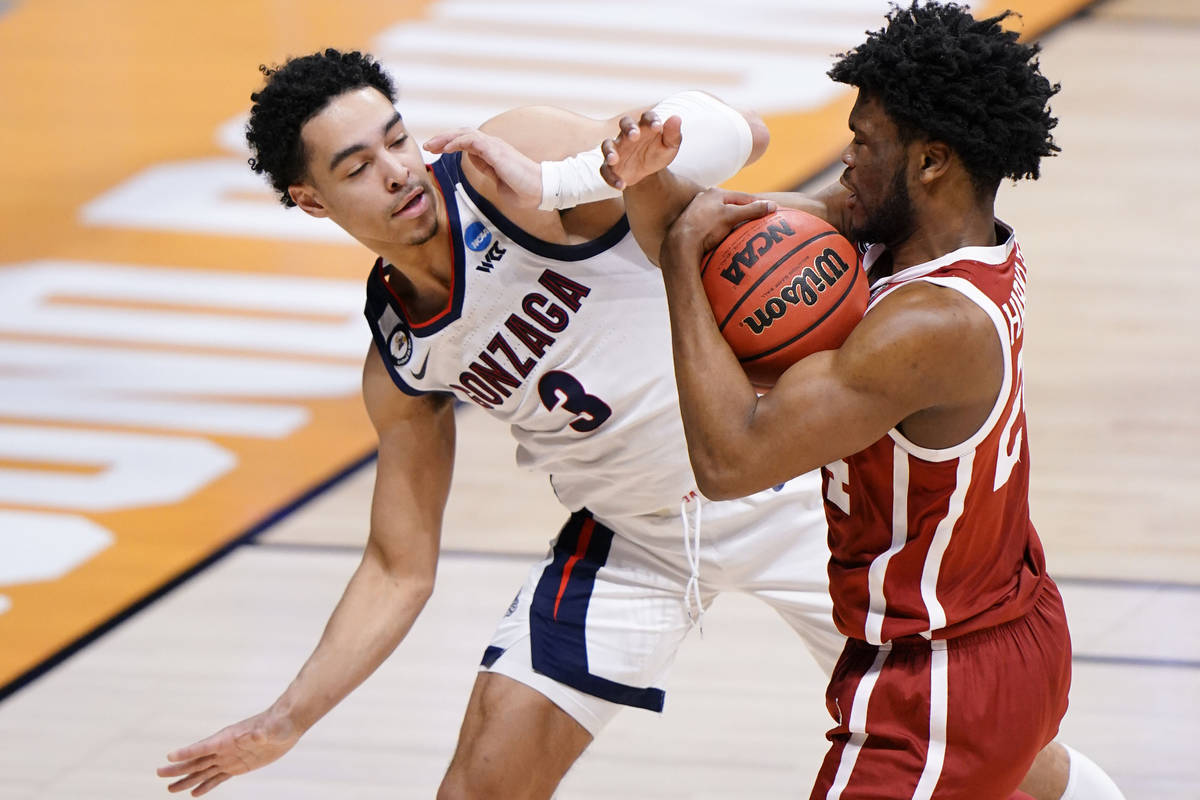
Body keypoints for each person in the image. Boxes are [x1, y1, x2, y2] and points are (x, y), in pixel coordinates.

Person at [155, 47, 844, 800]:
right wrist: (286, 719)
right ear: (312, 200)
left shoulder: (511, 167)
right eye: (356, 168)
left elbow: (745, 130)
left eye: (396, 139)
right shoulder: (401, 357)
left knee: (960, 752)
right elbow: (397, 567)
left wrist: (584, 175)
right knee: (480, 789)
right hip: (640, 540)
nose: (396, 171)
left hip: (798, 479)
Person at [602, 2, 1126, 799]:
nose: (845, 161)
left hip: (942, 678)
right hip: (1000, 628)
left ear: (931, 162)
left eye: (863, 143)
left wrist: (680, 265)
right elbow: (708, 226)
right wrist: (649, 175)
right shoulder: (938, 240)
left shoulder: (930, 324)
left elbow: (731, 459)